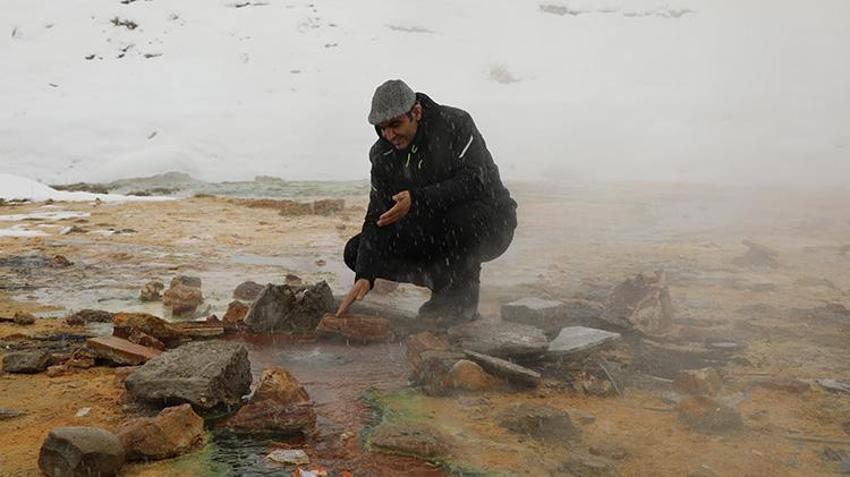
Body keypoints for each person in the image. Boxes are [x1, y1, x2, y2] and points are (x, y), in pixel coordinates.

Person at [336, 79, 517, 323]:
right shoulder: (382, 154)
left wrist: (417, 199)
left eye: (395, 124)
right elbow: (377, 217)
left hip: (490, 222)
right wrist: (364, 275)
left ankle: (463, 302)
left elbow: (475, 181)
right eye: (381, 128)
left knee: (462, 218)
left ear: (416, 112)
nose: (389, 135)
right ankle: (444, 286)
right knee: (357, 252)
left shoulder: (456, 125)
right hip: (434, 230)